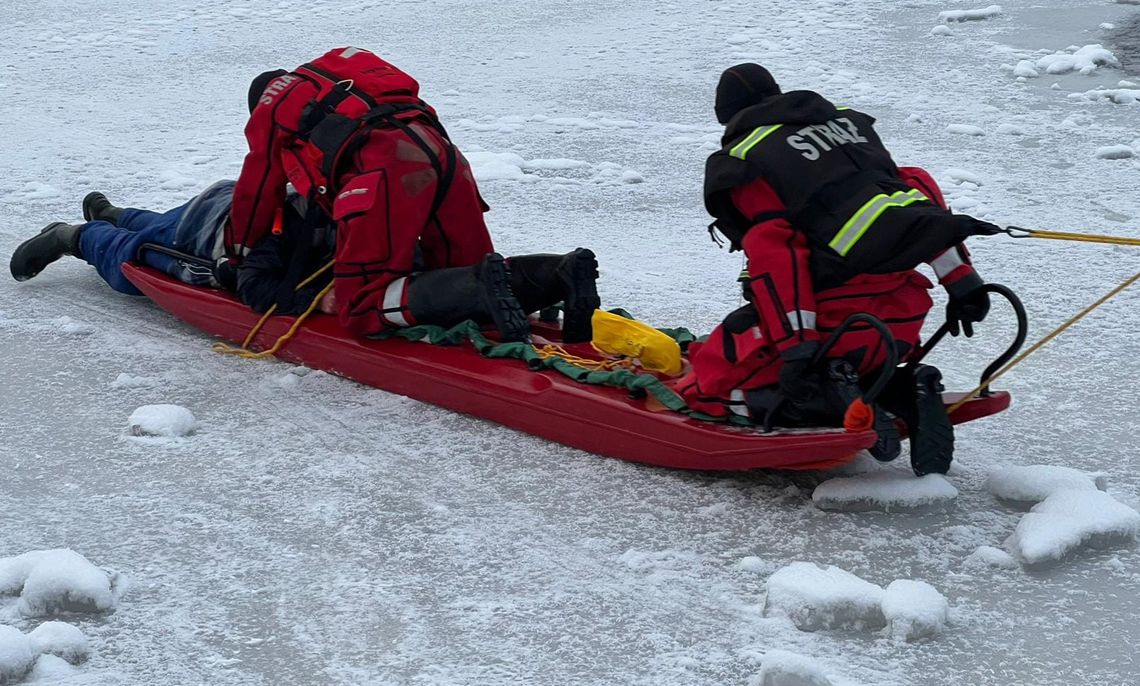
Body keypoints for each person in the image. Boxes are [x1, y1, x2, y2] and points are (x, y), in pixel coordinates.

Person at [671, 63, 1000, 476]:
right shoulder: (847, 128)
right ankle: (906, 390)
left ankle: (827, 397)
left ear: (726, 114)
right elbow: (913, 197)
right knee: (841, 357)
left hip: (834, 326)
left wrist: (798, 348)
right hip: (899, 320)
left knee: (709, 386)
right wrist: (962, 281)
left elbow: (776, 252)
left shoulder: (747, 158)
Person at [229, 47, 600, 343]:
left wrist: (240, 250)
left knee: (361, 308)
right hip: (443, 155)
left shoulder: (272, 104)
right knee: (460, 270)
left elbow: (258, 185)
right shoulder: (342, 66)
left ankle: (484, 290)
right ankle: (559, 273)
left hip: (384, 166)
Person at [7, 182, 338, 315]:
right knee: (132, 258)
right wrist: (316, 301)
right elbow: (253, 287)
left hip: (223, 205)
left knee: (163, 228)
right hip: (210, 236)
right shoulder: (298, 229)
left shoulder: (346, 209)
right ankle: (71, 236)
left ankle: (113, 215)